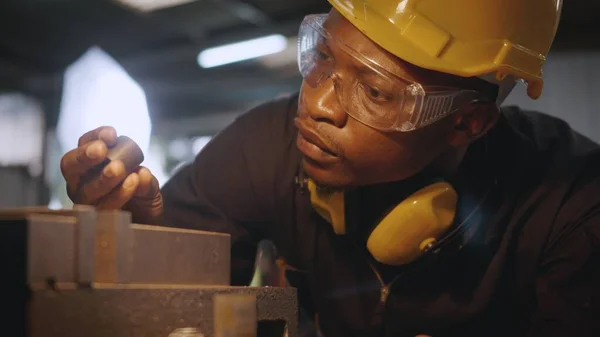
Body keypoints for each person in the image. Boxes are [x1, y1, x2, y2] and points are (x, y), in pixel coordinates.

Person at [60, 0, 600, 336]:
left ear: (468, 124)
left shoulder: (571, 206)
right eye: (322, 56)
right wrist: (141, 230)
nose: (317, 104)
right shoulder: (265, 148)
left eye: (373, 90)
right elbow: (167, 307)